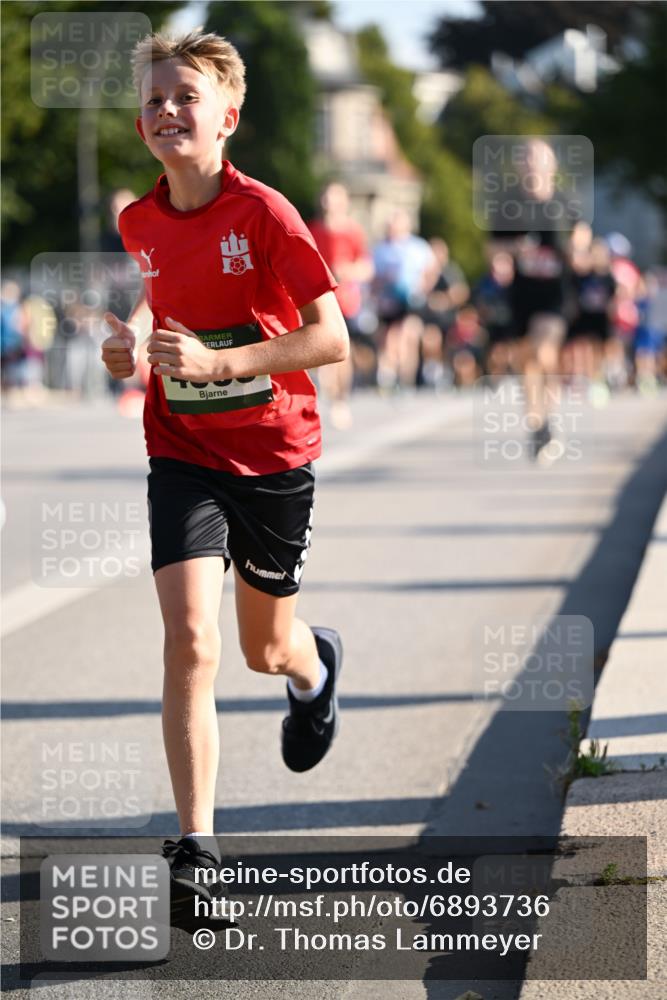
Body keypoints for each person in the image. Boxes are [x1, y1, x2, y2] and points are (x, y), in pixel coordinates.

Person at [100, 29, 348, 901]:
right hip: (182, 449)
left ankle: (314, 670)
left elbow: (331, 337)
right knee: (191, 642)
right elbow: (155, 283)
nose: (168, 109)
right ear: (142, 126)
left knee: (262, 648)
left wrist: (219, 364)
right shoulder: (137, 219)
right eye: (155, 100)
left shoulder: (266, 214)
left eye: (185, 97)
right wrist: (130, 339)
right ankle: (196, 850)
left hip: (273, 452)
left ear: (226, 117)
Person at [308, 182, 374, 428]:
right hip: (319, 298)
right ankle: (327, 391)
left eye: (334, 198)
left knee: (342, 353)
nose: (329, 203)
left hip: (346, 300)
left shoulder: (353, 231)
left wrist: (349, 271)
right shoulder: (312, 229)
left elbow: (367, 267)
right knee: (321, 351)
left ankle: (340, 400)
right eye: (325, 197)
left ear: (343, 202)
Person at [372, 210, 435, 390]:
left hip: (412, 299)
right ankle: (390, 372)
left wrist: (423, 287)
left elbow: (431, 270)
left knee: (409, 334)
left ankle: (406, 377)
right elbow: (374, 277)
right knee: (390, 337)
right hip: (389, 300)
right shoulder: (380, 249)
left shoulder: (418, 246)